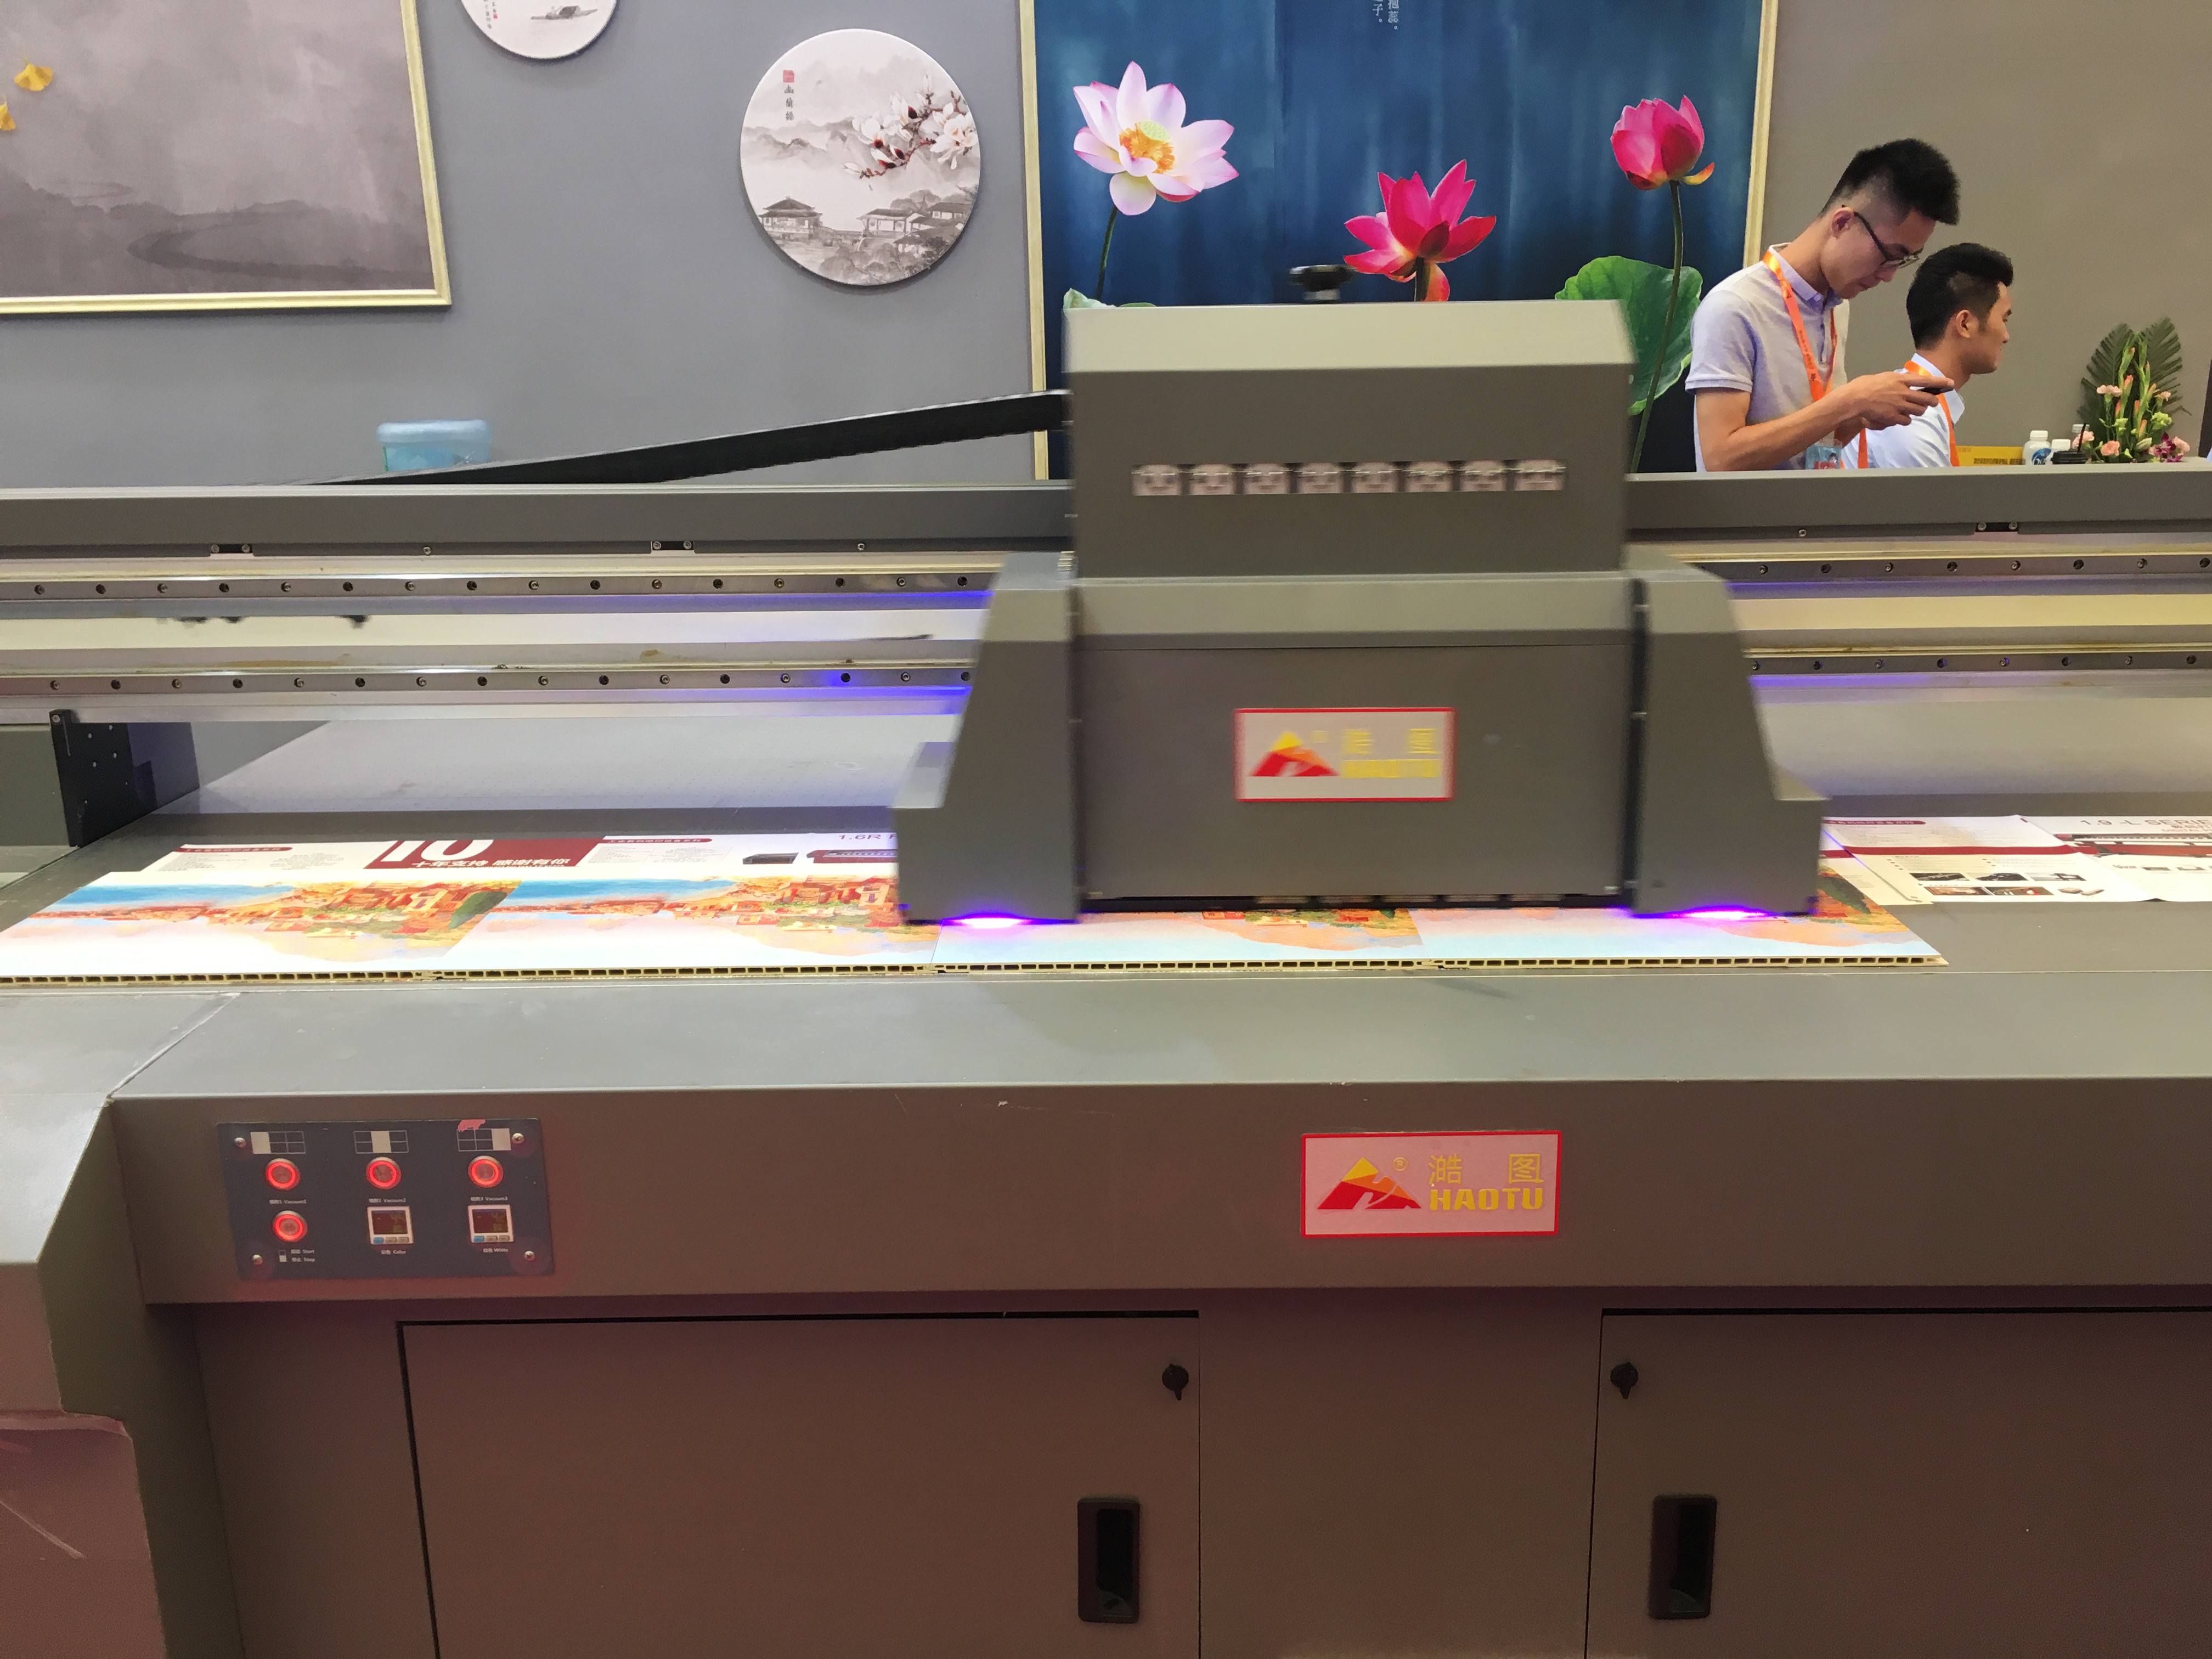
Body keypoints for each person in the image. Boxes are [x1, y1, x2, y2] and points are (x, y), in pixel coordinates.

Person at [1688, 139, 1961, 471]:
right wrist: (1850, 401)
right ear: (1842, 223)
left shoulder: (1836, 308)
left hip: (1813, 505)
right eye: (1889, 255)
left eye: (1903, 261)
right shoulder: (1734, 306)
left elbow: (1808, 448)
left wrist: (1862, 415)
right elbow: (1720, 459)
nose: (1889, 276)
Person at [1844, 244, 2013, 469]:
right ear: (1965, 324)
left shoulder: (1916, 403)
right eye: (2004, 319)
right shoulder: (1912, 420)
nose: (2006, 336)